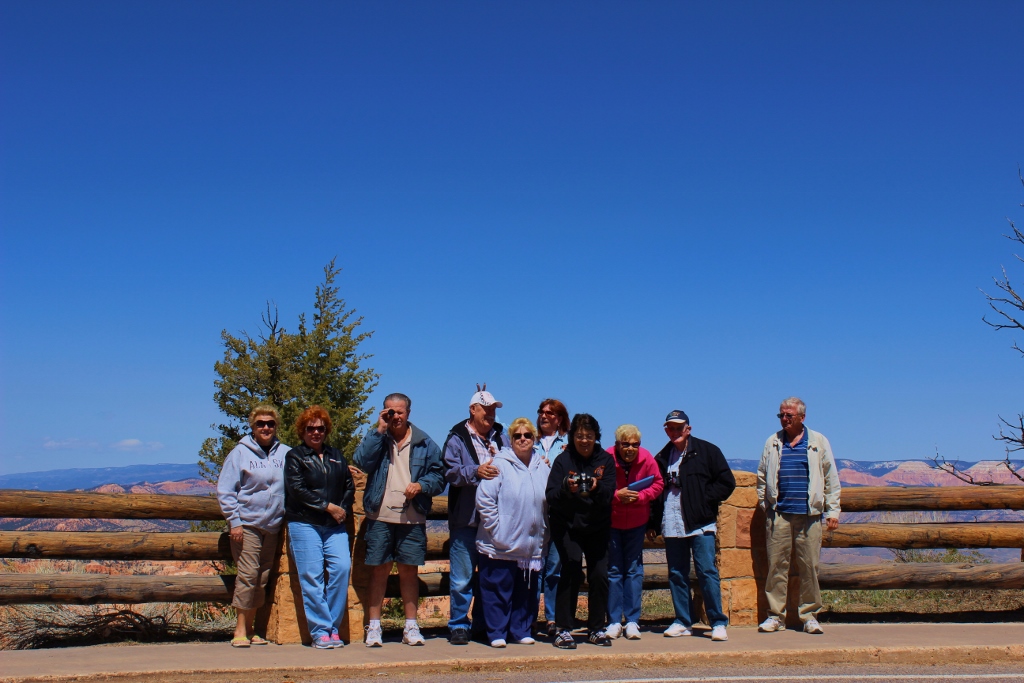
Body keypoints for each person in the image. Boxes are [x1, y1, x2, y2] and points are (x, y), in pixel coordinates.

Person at [353, 392, 444, 647]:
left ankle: (411, 627)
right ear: (383, 412)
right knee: (379, 571)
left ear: (408, 413)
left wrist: (422, 485)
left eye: (399, 412)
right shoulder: (378, 438)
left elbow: (439, 475)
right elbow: (361, 461)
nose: (395, 416)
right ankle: (374, 627)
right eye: (389, 412)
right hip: (380, 515)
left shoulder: (424, 442)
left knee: (409, 572)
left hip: (411, 517)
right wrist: (378, 430)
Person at [756, 397, 841, 635]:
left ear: (802, 417)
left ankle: (809, 615)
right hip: (779, 515)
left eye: (789, 415)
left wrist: (832, 510)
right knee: (776, 567)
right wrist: (766, 505)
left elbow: (831, 478)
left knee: (809, 567)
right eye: (781, 415)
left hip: (809, 515)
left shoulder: (818, 442)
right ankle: (775, 616)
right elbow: (762, 475)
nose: (784, 419)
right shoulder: (773, 442)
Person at [650, 410, 735, 642]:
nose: (675, 432)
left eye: (679, 427)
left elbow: (727, 482)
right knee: (677, 573)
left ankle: (717, 622)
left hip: (700, 524)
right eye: (671, 428)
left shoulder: (707, 451)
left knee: (706, 571)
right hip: (672, 522)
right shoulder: (661, 457)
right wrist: (653, 521)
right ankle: (683, 621)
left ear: (688, 429)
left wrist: (704, 500)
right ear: (665, 430)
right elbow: (656, 491)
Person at [442, 385, 511, 645]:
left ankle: (485, 624)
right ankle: (459, 624)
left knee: (491, 577)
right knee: (462, 577)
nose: (491, 415)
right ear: (473, 409)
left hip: (496, 522)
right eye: (487, 409)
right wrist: (475, 472)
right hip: (467, 520)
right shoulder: (456, 438)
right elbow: (449, 472)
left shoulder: (502, 437)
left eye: (494, 410)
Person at [475, 417, 551, 648]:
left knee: (526, 590)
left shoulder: (543, 467)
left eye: (527, 435)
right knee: (497, 589)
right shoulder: (499, 464)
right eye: (517, 436)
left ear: (534, 438)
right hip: (500, 543)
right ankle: (497, 632)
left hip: (531, 544)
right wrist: (497, 530)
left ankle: (521, 629)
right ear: (510, 439)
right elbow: (485, 500)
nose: (522, 439)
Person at [284, 405, 355, 649]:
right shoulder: (295, 456)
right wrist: (328, 506)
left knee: (342, 569)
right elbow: (297, 489)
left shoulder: (336, 455)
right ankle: (320, 631)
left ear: (326, 430)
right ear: (302, 431)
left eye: (320, 428)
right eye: (310, 428)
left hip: (334, 525)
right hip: (304, 523)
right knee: (312, 577)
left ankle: (332, 627)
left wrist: (341, 509)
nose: (316, 432)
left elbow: (348, 485)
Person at [217, 405, 289, 648]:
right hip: (247, 524)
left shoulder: (286, 454)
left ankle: (253, 628)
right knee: (248, 575)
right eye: (260, 423)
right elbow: (226, 491)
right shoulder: (240, 453)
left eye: (270, 423)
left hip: (273, 525)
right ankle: (239, 629)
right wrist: (234, 522)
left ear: (276, 426)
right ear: (252, 426)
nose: (266, 427)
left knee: (262, 576)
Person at [545, 413, 617, 648]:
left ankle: (596, 628)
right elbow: (551, 496)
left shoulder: (605, 460)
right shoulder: (563, 461)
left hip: (597, 526)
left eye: (588, 436)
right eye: (579, 436)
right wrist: (567, 487)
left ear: (596, 436)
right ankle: (563, 629)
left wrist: (595, 487)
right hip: (568, 525)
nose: (584, 440)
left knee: (599, 575)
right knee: (571, 569)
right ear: (572, 436)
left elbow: (608, 495)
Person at [605, 424, 663, 640]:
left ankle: (631, 621)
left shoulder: (647, 458)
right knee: (613, 571)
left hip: (637, 523)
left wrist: (641, 496)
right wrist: (615, 495)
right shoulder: (606, 457)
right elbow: (598, 485)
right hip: (612, 522)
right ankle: (613, 621)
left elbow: (658, 484)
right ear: (617, 444)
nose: (630, 448)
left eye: (635, 445)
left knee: (634, 571)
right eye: (626, 444)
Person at [534, 398, 570, 638]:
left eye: (550, 413)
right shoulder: (529, 441)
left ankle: (553, 618)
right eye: (542, 412)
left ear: (559, 418)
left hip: (560, 513)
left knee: (554, 569)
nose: (544, 416)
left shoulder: (569, 444)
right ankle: (527, 616)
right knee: (533, 567)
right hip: (534, 512)